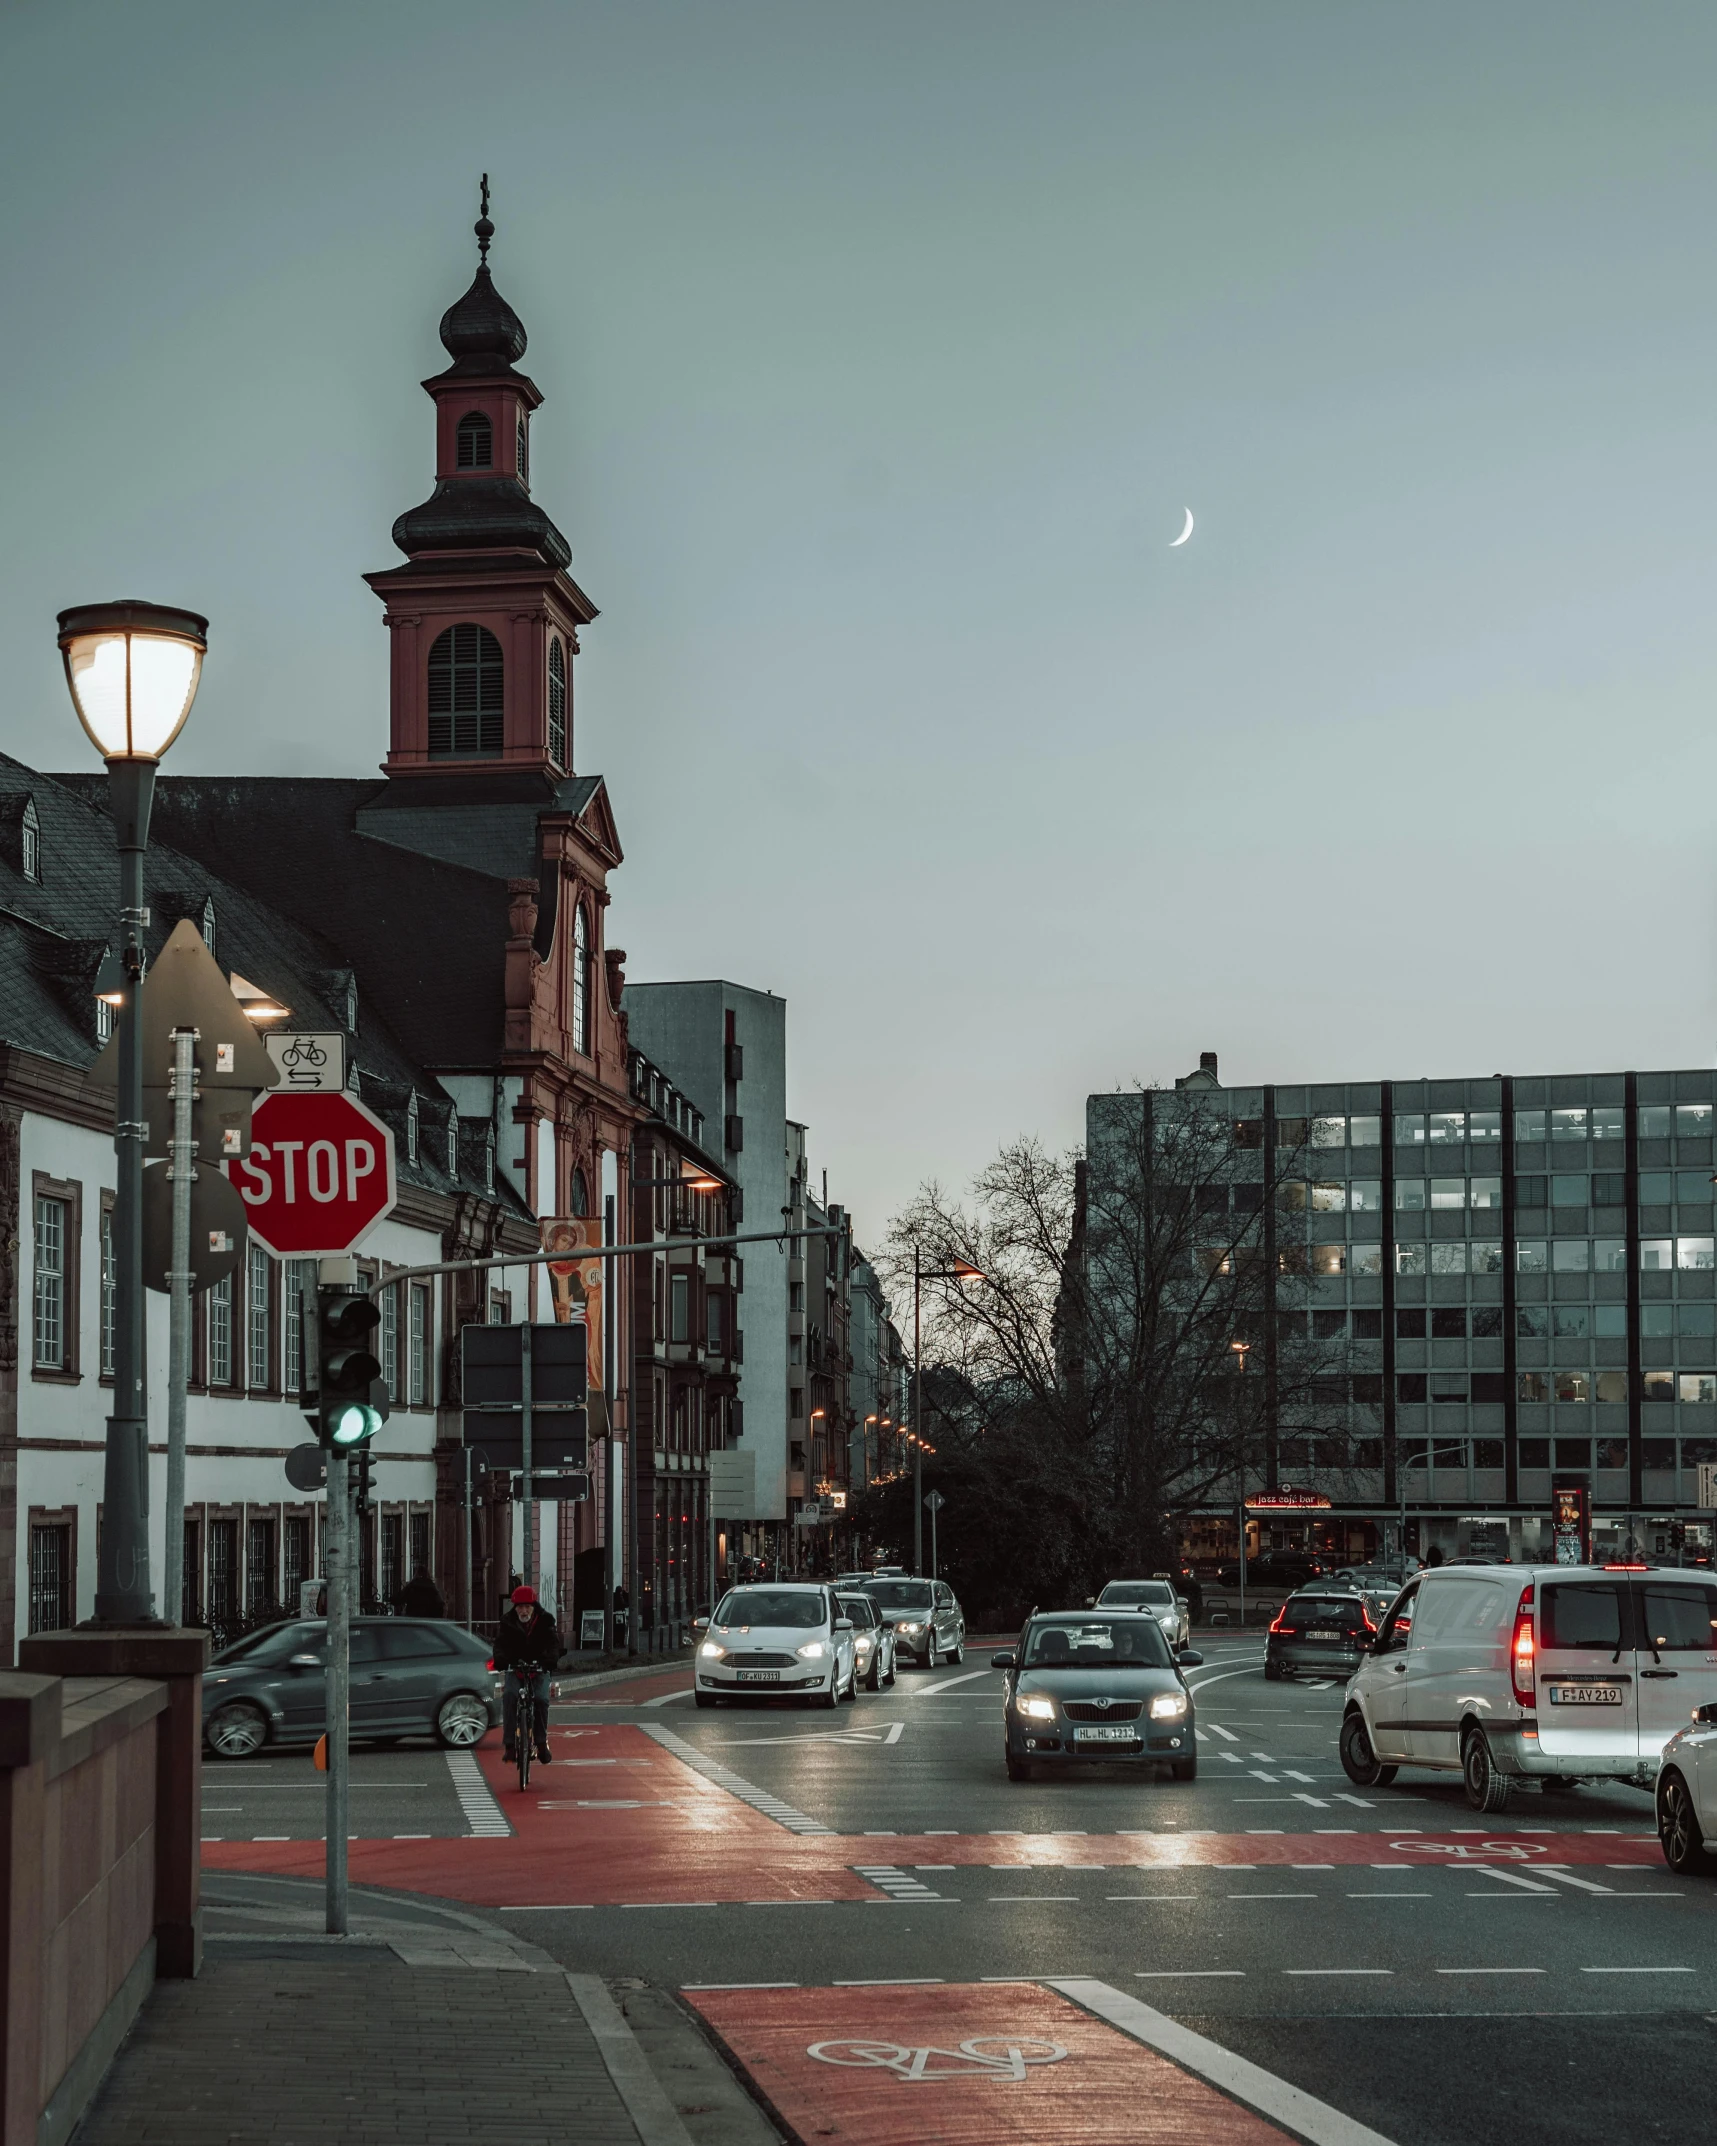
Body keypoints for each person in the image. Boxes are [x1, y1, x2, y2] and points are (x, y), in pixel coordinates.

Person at [494, 1584, 560, 1764]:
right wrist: (501, 1660)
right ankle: (509, 1746)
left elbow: (553, 1644)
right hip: (516, 1668)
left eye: (527, 1606)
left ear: (533, 1606)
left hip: (539, 1668)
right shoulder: (507, 1622)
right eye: (519, 1607)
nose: (523, 1610)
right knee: (509, 1696)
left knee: (541, 1699)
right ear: (514, 1607)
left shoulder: (546, 1620)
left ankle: (540, 1744)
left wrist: (550, 1661)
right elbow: (500, 1644)